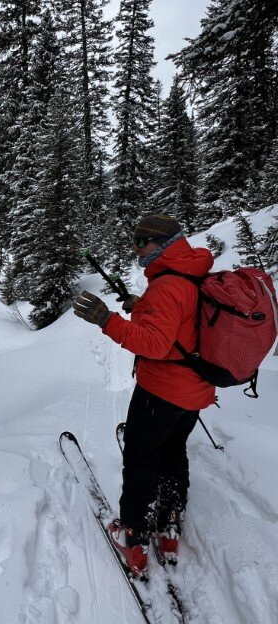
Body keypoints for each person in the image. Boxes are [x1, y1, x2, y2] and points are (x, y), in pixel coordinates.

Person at [73, 214, 215, 577]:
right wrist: (144, 307)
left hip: (163, 391)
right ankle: (169, 526)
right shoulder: (191, 270)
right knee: (173, 450)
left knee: (140, 458)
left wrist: (108, 320)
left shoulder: (168, 285)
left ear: (162, 242)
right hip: (194, 391)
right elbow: (182, 322)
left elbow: (154, 343)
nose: (135, 247)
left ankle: (133, 537)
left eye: (142, 240)